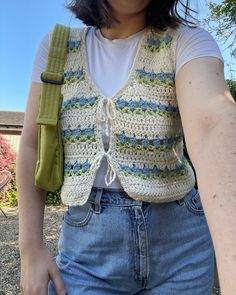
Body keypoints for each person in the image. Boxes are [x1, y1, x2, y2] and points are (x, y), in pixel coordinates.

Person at [17, 0, 236, 294]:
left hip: (182, 247)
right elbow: (31, 144)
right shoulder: (57, 48)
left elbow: (213, 124)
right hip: (86, 255)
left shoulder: (186, 41)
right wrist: (30, 248)